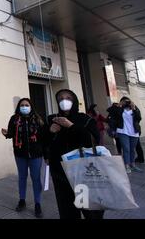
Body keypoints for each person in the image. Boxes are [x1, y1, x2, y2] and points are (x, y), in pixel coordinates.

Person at [43, 89, 104, 219]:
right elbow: (43, 141)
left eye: (68, 98)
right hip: (60, 174)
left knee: (90, 210)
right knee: (67, 212)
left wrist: (71, 126)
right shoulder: (52, 119)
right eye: (60, 99)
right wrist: (50, 131)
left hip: (83, 173)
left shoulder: (85, 119)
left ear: (74, 100)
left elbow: (93, 141)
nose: (64, 101)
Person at [1, 98, 45, 218]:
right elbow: (11, 133)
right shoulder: (14, 119)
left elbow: (43, 137)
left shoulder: (38, 119)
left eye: (26, 105)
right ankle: (22, 200)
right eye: (22, 105)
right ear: (18, 107)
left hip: (36, 155)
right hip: (20, 154)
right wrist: (7, 134)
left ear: (31, 106)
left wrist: (46, 153)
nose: (24, 107)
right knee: (22, 177)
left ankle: (37, 203)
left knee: (36, 179)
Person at [106, 97, 142, 173]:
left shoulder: (134, 108)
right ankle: (127, 166)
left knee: (132, 149)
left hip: (134, 132)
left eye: (127, 101)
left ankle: (133, 165)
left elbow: (139, 118)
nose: (126, 103)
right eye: (124, 101)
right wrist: (118, 106)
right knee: (126, 149)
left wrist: (134, 108)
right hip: (123, 131)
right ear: (121, 102)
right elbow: (110, 112)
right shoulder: (119, 109)